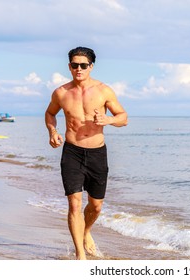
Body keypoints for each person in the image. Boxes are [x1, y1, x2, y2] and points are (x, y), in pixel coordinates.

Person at [45, 46, 128, 260]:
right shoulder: (61, 92)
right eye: (75, 65)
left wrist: (109, 120)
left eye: (83, 65)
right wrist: (52, 131)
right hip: (71, 152)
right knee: (74, 203)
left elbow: (123, 117)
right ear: (69, 66)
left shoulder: (103, 91)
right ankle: (80, 256)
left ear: (91, 67)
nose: (79, 69)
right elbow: (50, 113)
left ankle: (87, 231)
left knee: (96, 206)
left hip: (97, 153)